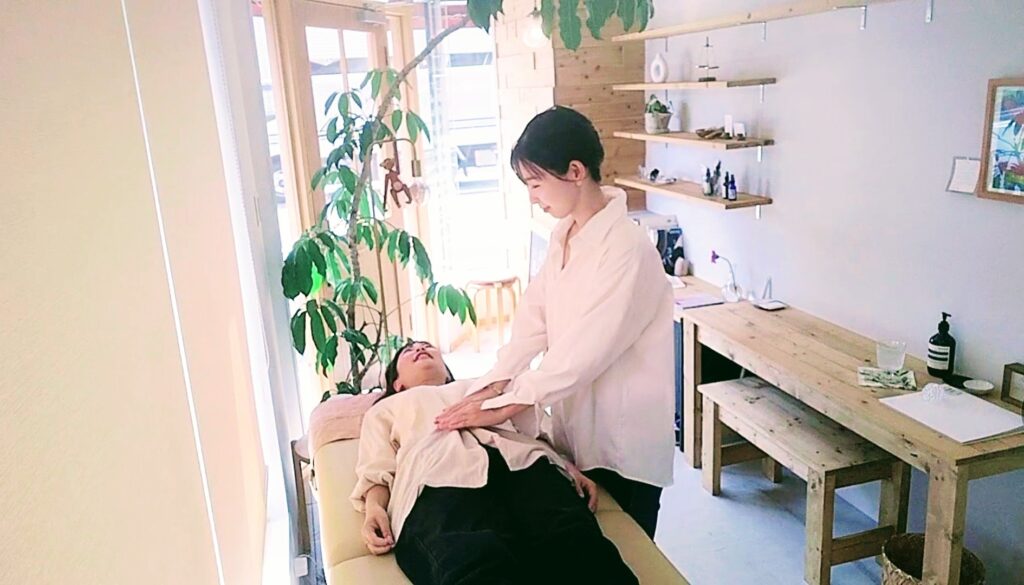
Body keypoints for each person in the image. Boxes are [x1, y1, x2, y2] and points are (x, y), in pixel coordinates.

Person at [435, 106, 675, 539]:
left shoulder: (628, 248)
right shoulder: (563, 236)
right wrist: (492, 385)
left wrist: (506, 405)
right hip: (573, 431)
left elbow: (584, 352)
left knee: (626, 555)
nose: (532, 196)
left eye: (535, 182)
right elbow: (533, 323)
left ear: (575, 172)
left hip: (623, 444)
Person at [353, 341, 639, 585]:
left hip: (523, 464)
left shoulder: (484, 387)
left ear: (447, 371)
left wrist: (567, 466)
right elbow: (376, 467)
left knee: (574, 542)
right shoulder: (385, 409)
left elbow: (536, 428)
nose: (419, 349)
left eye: (426, 346)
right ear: (397, 383)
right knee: (471, 562)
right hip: (436, 479)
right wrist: (374, 508)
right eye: (408, 351)